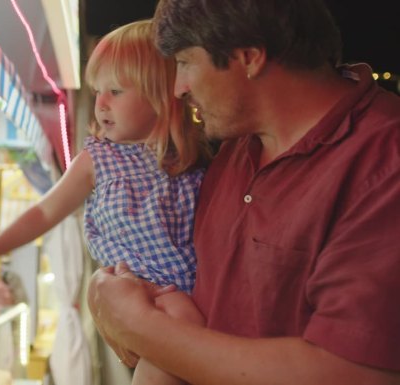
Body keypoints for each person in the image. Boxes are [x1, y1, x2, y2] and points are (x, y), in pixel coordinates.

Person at [87, 0, 400, 384]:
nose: (178, 88)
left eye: (185, 63)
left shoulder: (383, 162)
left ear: (249, 57)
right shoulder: (232, 150)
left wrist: (138, 325)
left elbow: (352, 372)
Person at [0, 19, 212, 384]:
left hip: (192, 296)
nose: (101, 103)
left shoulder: (190, 160)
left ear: (159, 94)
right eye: (97, 91)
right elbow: (44, 211)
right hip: (144, 295)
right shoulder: (98, 158)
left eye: (116, 91)